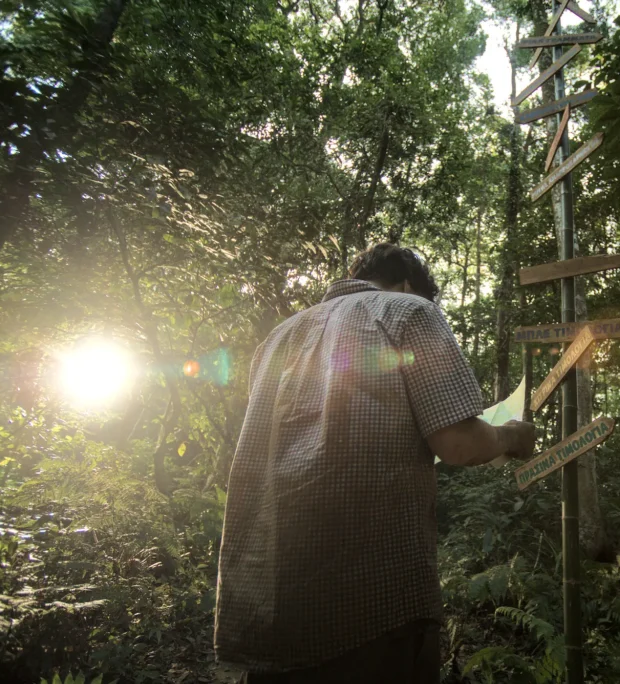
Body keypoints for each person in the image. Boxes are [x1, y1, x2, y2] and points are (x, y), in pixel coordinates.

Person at [214, 244, 536, 683]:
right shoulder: (409, 311)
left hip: (274, 602)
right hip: (372, 605)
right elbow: (460, 443)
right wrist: (512, 436)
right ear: (407, 285)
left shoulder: (278, 338)